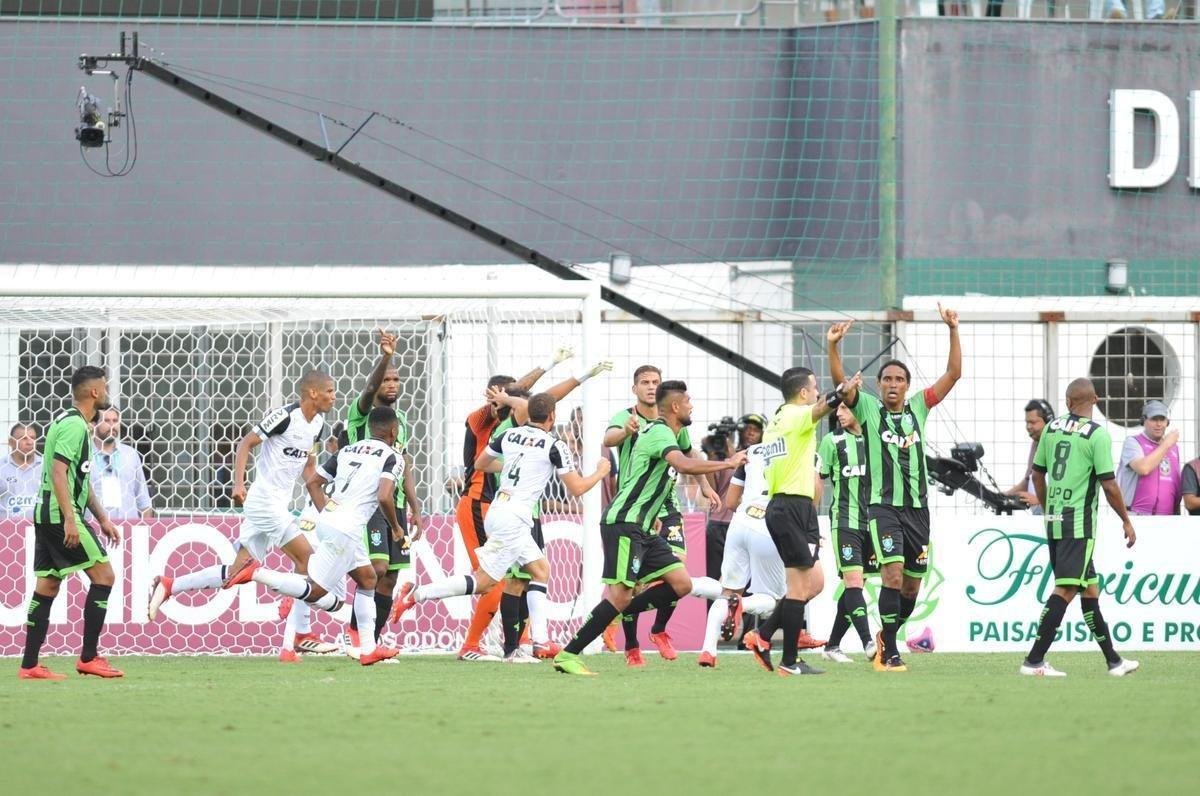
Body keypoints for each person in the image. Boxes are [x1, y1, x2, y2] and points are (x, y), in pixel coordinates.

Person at [393, 393, 610, 664]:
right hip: (515, 517)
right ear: (552, 416)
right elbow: (577, 488)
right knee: (485, 582)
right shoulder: (555, 445)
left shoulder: (510, 436)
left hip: (498, 509)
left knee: (540, 570)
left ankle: (539, 641)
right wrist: (601, 472)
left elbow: (481, 464)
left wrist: (513, 465)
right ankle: (417, 595)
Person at [554, 381, 744, 676]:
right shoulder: (658, 432)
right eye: (689, 401)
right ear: (676, 407)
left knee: (681, 583)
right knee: (618, 595)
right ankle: (569, 654)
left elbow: (685, 458)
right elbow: (683, 464)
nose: (692, 405)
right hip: (624, 522)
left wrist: (700, 489)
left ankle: (627, 611)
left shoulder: (675, 434)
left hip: (644, 527)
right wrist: (727, 463)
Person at [147, 370, 338, 661]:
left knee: (237, 573)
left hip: (277, 504)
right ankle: (301, 634)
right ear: (313, 393)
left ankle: (170, 585)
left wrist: (326, 512)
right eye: (329, 391)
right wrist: (238, 483)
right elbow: (245, 443)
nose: (333, 397)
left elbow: (309, 472)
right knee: (306, 560)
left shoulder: (319, 425)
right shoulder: (284, 417)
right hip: (263, 502)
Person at [828, 304, 961, 673]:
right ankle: (889, 654)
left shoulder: (920, 407)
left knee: (911, 590)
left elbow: (953, 374)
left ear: (907, 386)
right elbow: (842, 386)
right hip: (883, 509)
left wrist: (952, 329)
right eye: (886, 379)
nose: (892, 384)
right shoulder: (869, 409)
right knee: (892, 575)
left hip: (918, 509)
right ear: (879, 385)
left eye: (898, 380)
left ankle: (888, 635)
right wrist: (834, 348)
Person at [250, 408, 406, 666]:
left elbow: (312, 482)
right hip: (346, 529)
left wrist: (329, 514)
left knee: (368, 579)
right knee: (315, 590)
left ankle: (368, 649)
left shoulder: (347, 450)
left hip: (331, 522)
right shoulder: (393, 457)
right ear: (393, 431)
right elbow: (384, 495)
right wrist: (397, 529)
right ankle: (256, 573)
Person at [453, 345, 576, 661]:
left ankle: (519, 646)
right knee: (492, 581)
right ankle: (471, 646)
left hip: (511, 510)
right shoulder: (482, 420)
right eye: (507, 398)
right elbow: (520, 396)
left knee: (524, 578)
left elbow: (539, 399)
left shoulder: (517, 427)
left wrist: (578, 377)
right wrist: (546, 363)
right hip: (481, 505)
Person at [741, 368, 859, 677]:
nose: (818, 393)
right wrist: (842, 391)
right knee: (798, 587)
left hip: (796, 507)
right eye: (815, 387)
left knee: (815, 583)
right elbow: (822, 409)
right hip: (790, 505)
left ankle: (763, 635)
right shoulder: (795, 415)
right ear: (803, 393)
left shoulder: (778, 421)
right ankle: (789, 661)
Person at [1020, 378, 1139, 678]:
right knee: (1067, 588)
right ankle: (1033, 661)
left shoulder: (1051, 428)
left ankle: (1114, 661)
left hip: (1055, 520)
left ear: (1068, 401)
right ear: (1095, 400)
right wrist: (1126, 519)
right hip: (1078, 523)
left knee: (1090, 590)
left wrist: (1047, 509)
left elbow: (1037, 475)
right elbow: (1109, 485)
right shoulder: (1097, 436)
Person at [604, 365, 722, 665]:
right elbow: (609, 440)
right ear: (635, 389)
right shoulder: (626, 417)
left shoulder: (672, 422)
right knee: (637, 583)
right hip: (638, 503)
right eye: (645, 382)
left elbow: (688, 456)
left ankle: (658, 629)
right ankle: (631, 645)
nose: (651, 386)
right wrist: (625, 432)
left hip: (666, 502)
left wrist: (705, 487)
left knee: (676, 568)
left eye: (656, 381)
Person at [19, 366, 123, 680]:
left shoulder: (69, 422)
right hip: (58, 515)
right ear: (94, 392)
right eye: (104, 388)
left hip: (47, 514)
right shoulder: (75, 428)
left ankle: (29, 665)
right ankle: (89, 657)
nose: (106, 393)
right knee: (104, 575)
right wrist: (69, 519)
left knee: (48, 584)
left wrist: (103, 517)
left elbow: (80, 478)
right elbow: (58, 471)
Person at [338, 331, 425, 655]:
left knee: (389, 579)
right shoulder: (360, 414)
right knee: (374, 570)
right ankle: (355, 634)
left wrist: (415, 508)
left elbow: (403, 464)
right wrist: (386, 355)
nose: (391, 384)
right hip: (370, 504)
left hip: (396, 505)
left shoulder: (398, 420)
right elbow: (368, 389)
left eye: (396, 379)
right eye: (387, 379)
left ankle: (370, 641)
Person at [697, 440, 787, 669]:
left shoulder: (751, 451)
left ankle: (708, 649)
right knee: (772, 599)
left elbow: (730, 501)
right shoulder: (797, 449)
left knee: (727, 591)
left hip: (741, 521)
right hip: (770, 522)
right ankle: (742, 605)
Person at [817, 402, 878, 664]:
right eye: (837, 409)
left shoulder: (875, 439)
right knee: (853, 582)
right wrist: (810, 522)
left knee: (856, 584)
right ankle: (869, 643)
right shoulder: (831, 442)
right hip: (844, 521)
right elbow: (817, 480)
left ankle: (832, 646)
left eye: (845, 408)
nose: (839, 413)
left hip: (873, 521)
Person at [1117, 400, 1182, 516]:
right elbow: (1143, 468)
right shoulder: (1132, 442)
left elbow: (1176, 485)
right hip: (1136, 516)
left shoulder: (1174, 448)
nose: (1158, 424)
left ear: (1167, 422)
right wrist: (1166, 444)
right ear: (1143, 421)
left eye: (1162, 419)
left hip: (1168, 519)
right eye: (1153, 419)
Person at [90, 406, 154, 521]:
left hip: (128, 526)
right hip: (95, 528)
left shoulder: (130, 454)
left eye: (115, 421)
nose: (112, 425)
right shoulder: (84, 455)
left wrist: (145, 528)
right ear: (94, 424)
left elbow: (143, 497)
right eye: (106, 420)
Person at [1006, 399, 1054, 515]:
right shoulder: (1036, 443)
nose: (1028, 427)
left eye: (1032, 422)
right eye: (1026, 422)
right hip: (1040, 512)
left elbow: (1065, 485)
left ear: (1048, 420)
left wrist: (1038, 499)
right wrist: (1003, 495)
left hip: (1055, 515)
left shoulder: (1056, 445)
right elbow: (1029, 479)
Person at [0, 422, 42, 520]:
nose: (30, 442)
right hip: (7, 531)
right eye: (24, 438)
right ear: (11, 442)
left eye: (33, 438)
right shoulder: (1, 467)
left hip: (40, 530)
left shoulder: (46, 466)